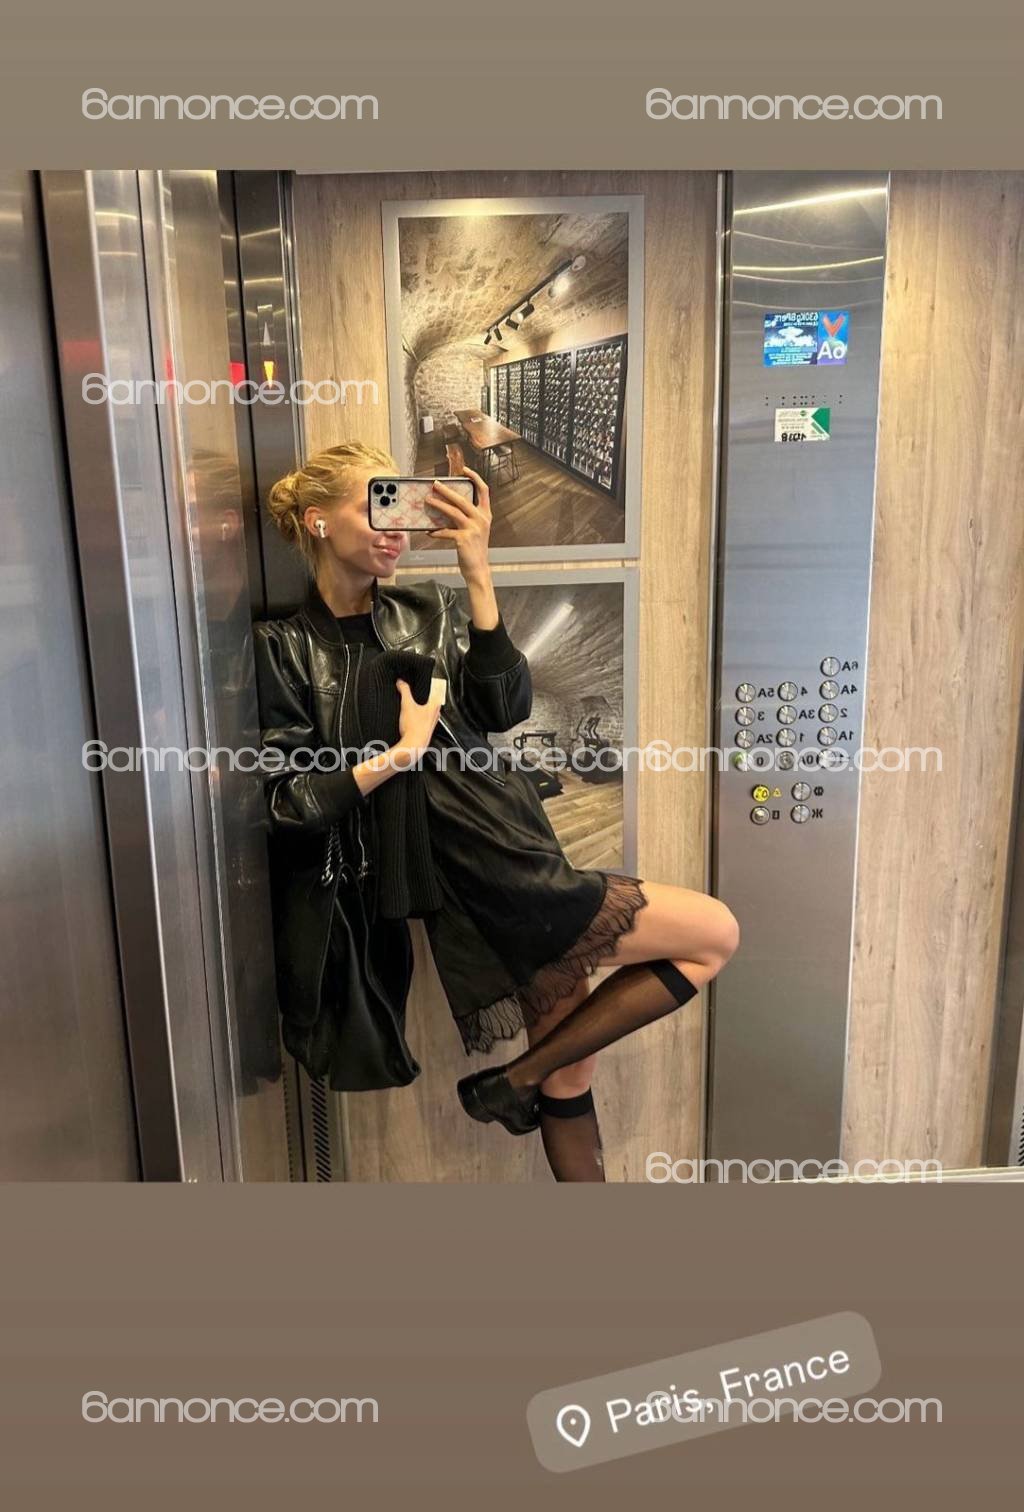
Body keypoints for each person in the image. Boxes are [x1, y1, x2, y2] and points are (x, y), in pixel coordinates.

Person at [256, 441, 739, 1182]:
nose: (396, 529)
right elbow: (288, 800)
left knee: (569, 1075)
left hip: (512, 841)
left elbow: (503, 707)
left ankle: (519, 1086)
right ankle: (508, 1083)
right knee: (714, 933)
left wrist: (477, 572)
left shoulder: (430, 608)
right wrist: (401, 754)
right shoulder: (284, 647)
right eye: (377, 506)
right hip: (473, 875)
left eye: (402, 510)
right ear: (318, 521)